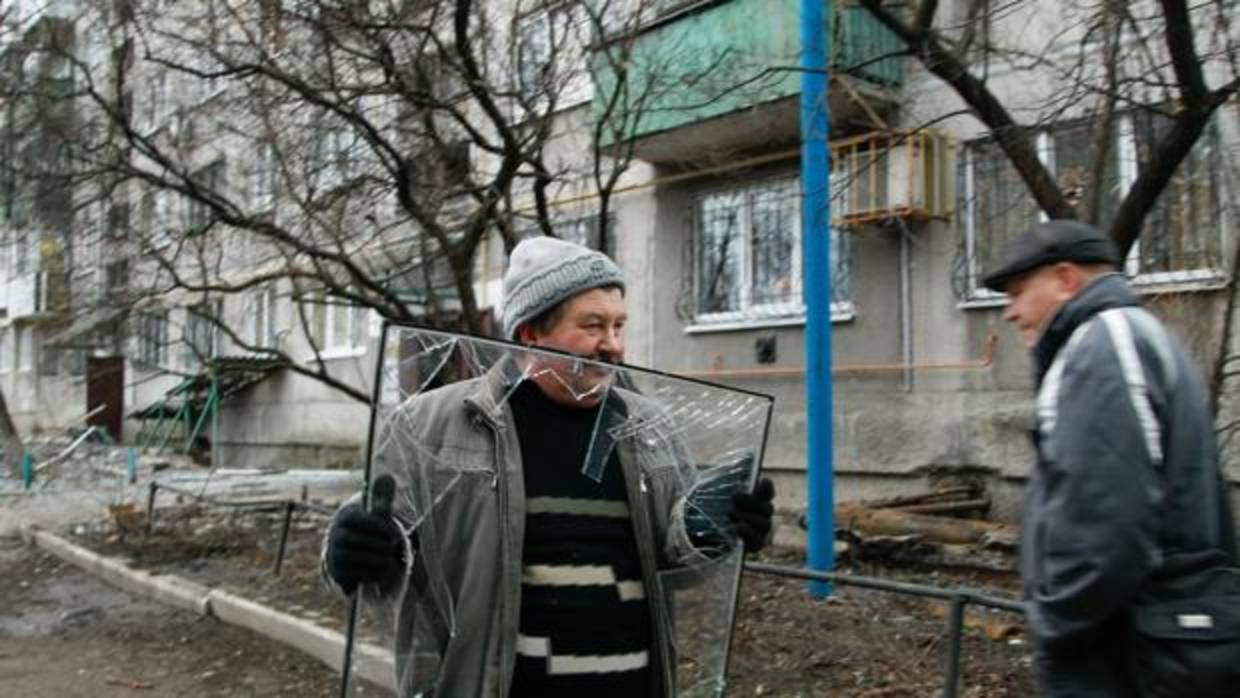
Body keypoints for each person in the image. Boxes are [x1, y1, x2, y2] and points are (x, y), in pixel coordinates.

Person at [323, 236, 776, 697]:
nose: (613, 346)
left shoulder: (648, 426)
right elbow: (378, 541)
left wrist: (710, 530)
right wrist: (348, 549)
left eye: (619, 326)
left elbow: (678, 562)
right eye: (594, 325)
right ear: (530, 333)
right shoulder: (430, 425)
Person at [983, 220, 1238, 696]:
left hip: (1135, 650)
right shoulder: (1123, 337)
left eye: (1018, 293)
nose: (1010, 313)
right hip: (1155, 638)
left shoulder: (1105, 344)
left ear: (1065, 279)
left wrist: (1056, 621)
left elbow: (1107, 517)